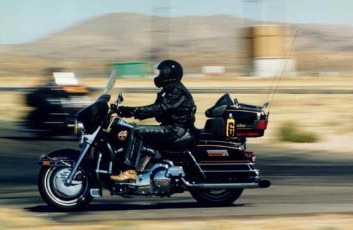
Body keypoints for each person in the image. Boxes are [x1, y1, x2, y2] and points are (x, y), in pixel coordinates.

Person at [110, 60, 196, 182]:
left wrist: (130, 111)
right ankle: (142, 167)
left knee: (137, 131)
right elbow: (156, 110)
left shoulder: (176, 91)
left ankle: (130, 171)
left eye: (161, 73)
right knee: (137, 130)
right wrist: (126, 111)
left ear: (168, 75)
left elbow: (157, 109)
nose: (158, 76)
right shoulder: (170, 90)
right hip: (171, 127)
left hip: (174, 129)